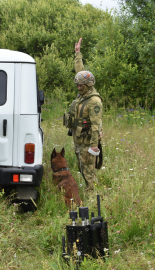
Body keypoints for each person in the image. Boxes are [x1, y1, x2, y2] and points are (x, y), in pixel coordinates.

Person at [64, 38, 103, 192]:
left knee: (88, 167)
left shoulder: (94, 101)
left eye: (81, 85)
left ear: (88, 86)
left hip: (87, 139)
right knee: (82, 165)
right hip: (78, 137)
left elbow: (95, 125)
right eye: (77, 84)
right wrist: (78, 54)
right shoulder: (83, 95)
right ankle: (91, 187)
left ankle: (92, 193)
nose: (78, 87)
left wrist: (94, 145)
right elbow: (80, 72)